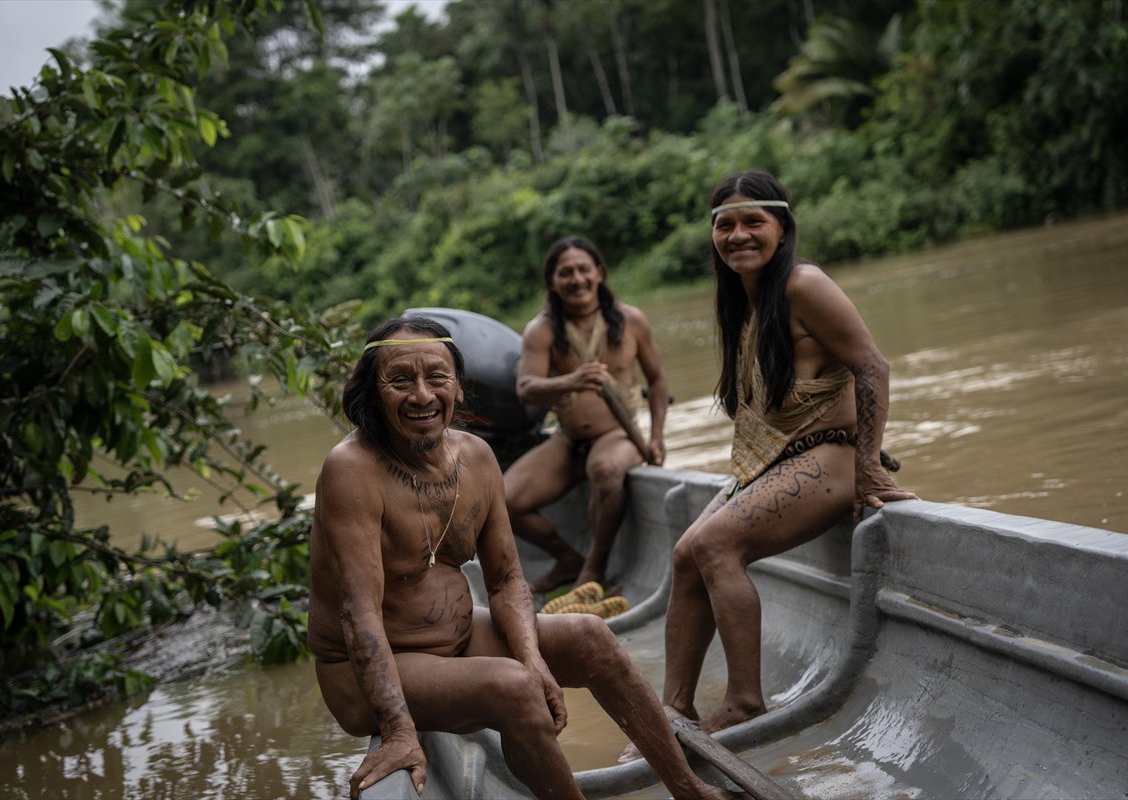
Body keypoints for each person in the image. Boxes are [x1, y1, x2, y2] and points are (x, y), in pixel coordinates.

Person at [308, 315, 735, 800]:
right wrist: (398, 728)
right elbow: (358, 613)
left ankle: (689, 789)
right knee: (512, 686)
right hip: (367, 674)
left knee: (590, 637)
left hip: (459, 639)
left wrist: (535, 660)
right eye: (400, 380)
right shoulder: (351, 469)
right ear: (372, 392)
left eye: (437, 377)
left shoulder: (477, 457)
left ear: (460, 389)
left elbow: (508, 578)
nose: (422, 395)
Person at [621, 171, 917, 759]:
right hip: (783, 461)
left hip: (830, 456)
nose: (738, 235)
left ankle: (744, 700)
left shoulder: (803, 284)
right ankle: (674, 708)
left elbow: (873, 367)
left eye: (753, 221)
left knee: (713, 549)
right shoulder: (744, 300)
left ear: (782, 228)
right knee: (685, 554)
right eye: (724, 225)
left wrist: (868, 466)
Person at [503, 236, 670, 594]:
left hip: (618, 436)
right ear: (552, 282)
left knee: (607, 470)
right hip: (569, 441)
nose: (576, 279)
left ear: (599, 274)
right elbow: (526, 388)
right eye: (566, 273)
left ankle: (594, 567)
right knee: (505, 499)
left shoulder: (630, 320)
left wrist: (657, 437)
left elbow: (657, 381)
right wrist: (572, 381)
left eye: (583, 269)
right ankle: (568, 560)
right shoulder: (543, 329)